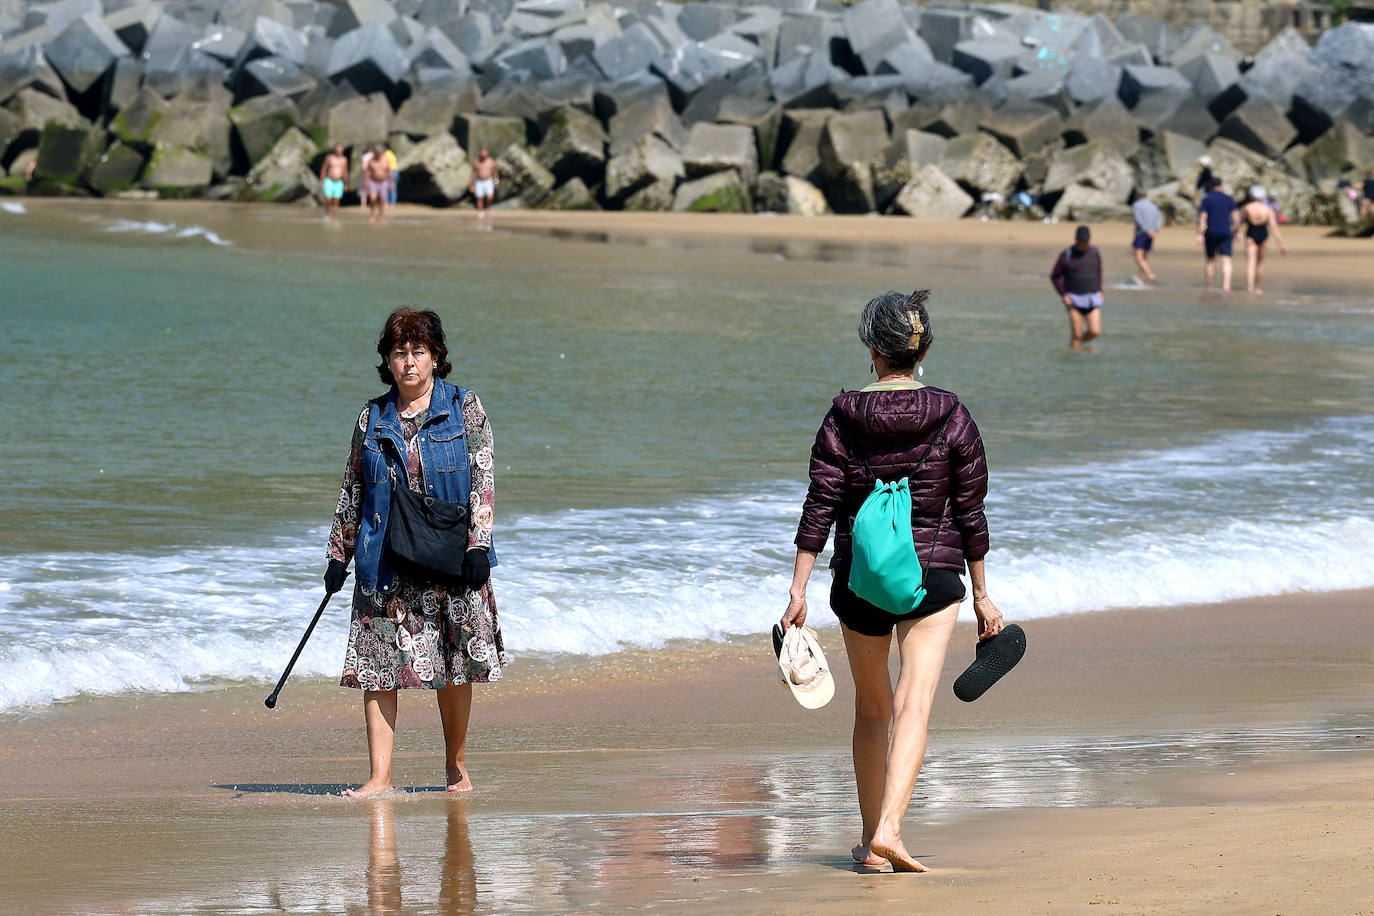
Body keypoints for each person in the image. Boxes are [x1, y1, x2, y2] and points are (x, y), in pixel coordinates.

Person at [783, 289, 1003, 874]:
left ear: (873, 353)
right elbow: (971, 510)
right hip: (934, 575)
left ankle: (869, 842)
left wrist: (797, 590)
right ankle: (890, 832)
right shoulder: (953, 413)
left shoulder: (842, 416)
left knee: (872, 709)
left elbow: (820, 504)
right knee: (914, 706)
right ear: (922, 349)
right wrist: (982, 595)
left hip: (858, 580)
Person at [324, 307, 505, 797]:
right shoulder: (372, 417)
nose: (409, 363)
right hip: (385, 554)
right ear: (387, 359)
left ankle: (456, 769)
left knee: (453, 665)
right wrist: (339, 553)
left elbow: (483, 480)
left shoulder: (464, 408)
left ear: (435, 357)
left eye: (418, 352)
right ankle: (380, 778)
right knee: (378, 667)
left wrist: (479, 544)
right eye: (400, 352)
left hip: (450, 553)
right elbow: (352, 488)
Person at [1050, 225, 1104, 350]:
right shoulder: (1066, 255)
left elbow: (1098, 271)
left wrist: (1100, 290)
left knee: (1095, 331)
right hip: (1074, 300)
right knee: (1077, 335)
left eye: (1086, 241)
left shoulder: (1095, 253)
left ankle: (1076, 346)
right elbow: (1055, 277)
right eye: (1081, 241)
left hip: (1092, 298)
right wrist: (1064, 294)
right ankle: (1075, 355)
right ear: (1076, 239)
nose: (1083, 244)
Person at [1237, 185, 1287, 296]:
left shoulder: (1247, 207)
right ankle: (1258, 287)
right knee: (1260, 263)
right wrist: (1281, 244)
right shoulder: (1268, 210)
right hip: (1263, 234)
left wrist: (1236, 233)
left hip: (1251, 233)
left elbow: (1239, 223)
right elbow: (1274, 228)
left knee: (1250, 262)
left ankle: (1249, 287)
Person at [1197, 177, 1238, 292]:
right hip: (1226, 231)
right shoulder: (1229, 199)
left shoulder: (1206, 200)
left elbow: (1203, 219)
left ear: (1210, 186)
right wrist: (1236, 232)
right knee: (1226, 259)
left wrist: (1201, 233)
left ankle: (1210, 286)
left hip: (1210, 232)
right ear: (1221, 185)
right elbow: (1236, 218)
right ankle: (1226, 285)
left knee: (1210, 260)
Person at [1130, 188, 1162, 286]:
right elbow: (1159, 219)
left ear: (1138, 195)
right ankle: (1140, 280)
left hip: (1142, 233)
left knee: (1138, 258)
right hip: (1151, 234)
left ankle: (1150, 274)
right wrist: (1154, 230)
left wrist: (1148, 230)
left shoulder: (1136, 205)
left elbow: (1138, 219)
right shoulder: (1153, 206)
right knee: (1144, 258)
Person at [362, 144, 391, 224]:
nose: (378, 154)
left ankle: (380, 216)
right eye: (377, 152)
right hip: (373, 181)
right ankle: (372, 215)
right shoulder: (371, 160)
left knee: (382, 199)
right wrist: (366, 182)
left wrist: (392, 183)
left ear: (382, 152)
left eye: (380, 152)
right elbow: (367, 172)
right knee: (372, 198)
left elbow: (389, 171)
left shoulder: (386, 160)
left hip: (384, 182)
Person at [319, 144, 348, 220]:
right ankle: (327, 214)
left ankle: (335, 216)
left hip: (339, 182)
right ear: (334, 150)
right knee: (328, 199)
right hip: (329, 181)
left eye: (340, 151)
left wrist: (346, 184)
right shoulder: (329, 158)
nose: (339, 152)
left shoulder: (344, 159)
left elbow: (345, 172)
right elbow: (324, 168)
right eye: (337, 150)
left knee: (337, 200)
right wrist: (322, 180)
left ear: (342, 151)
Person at [470, 149, 498, 218]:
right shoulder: (476, 162)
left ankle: (488, 208)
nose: (483, 157)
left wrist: (496, 182)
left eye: (485, 155)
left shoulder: (491, 162)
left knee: (490, 197)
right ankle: (480, 212)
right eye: (482, 155)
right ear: (480, 155)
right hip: (479, 181)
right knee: (479, 197)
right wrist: (471, 183)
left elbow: (495, 173)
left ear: (487, 155)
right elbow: (473, 173)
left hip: (488, 181)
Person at [384, 141, 399, 209]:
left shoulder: (386, 154)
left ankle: (386, 203)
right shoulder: (392, 154)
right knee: (393, 188)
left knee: (387, 188)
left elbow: (386, 165)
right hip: (395, 171)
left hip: (389, 171)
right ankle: (393, 204)